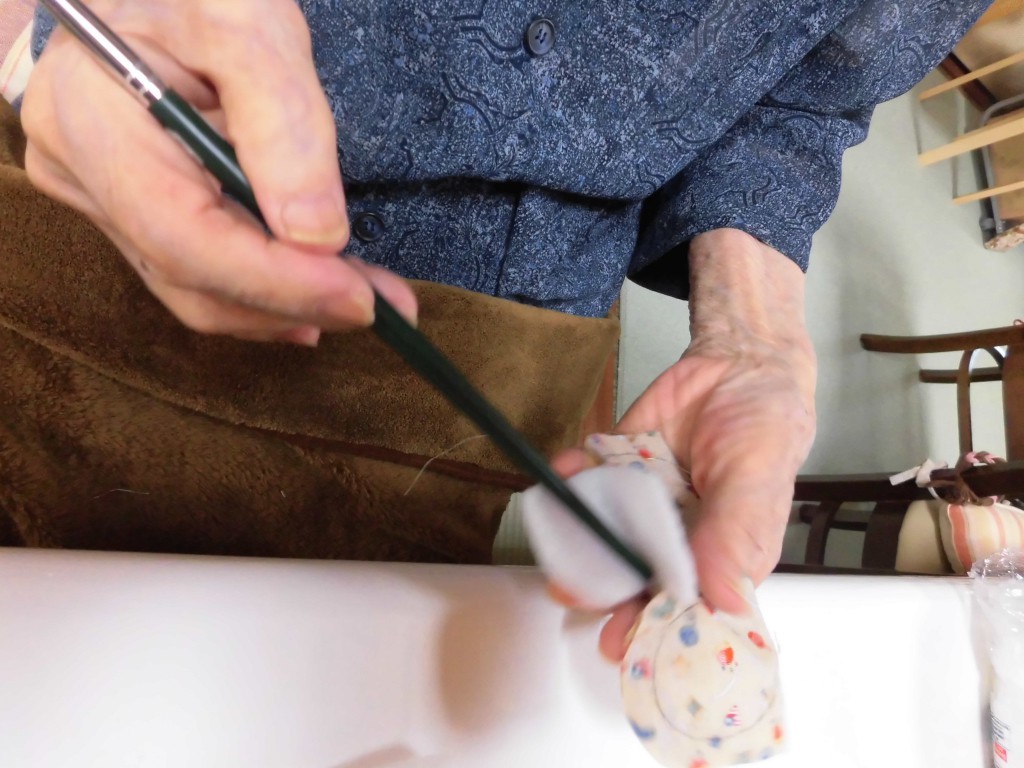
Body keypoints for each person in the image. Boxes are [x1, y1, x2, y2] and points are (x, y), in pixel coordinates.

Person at [9, 0, 989, 659]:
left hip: (499, 358)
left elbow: (811, 87)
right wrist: (44, 27)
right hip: (110, 176)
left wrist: (752, 333)